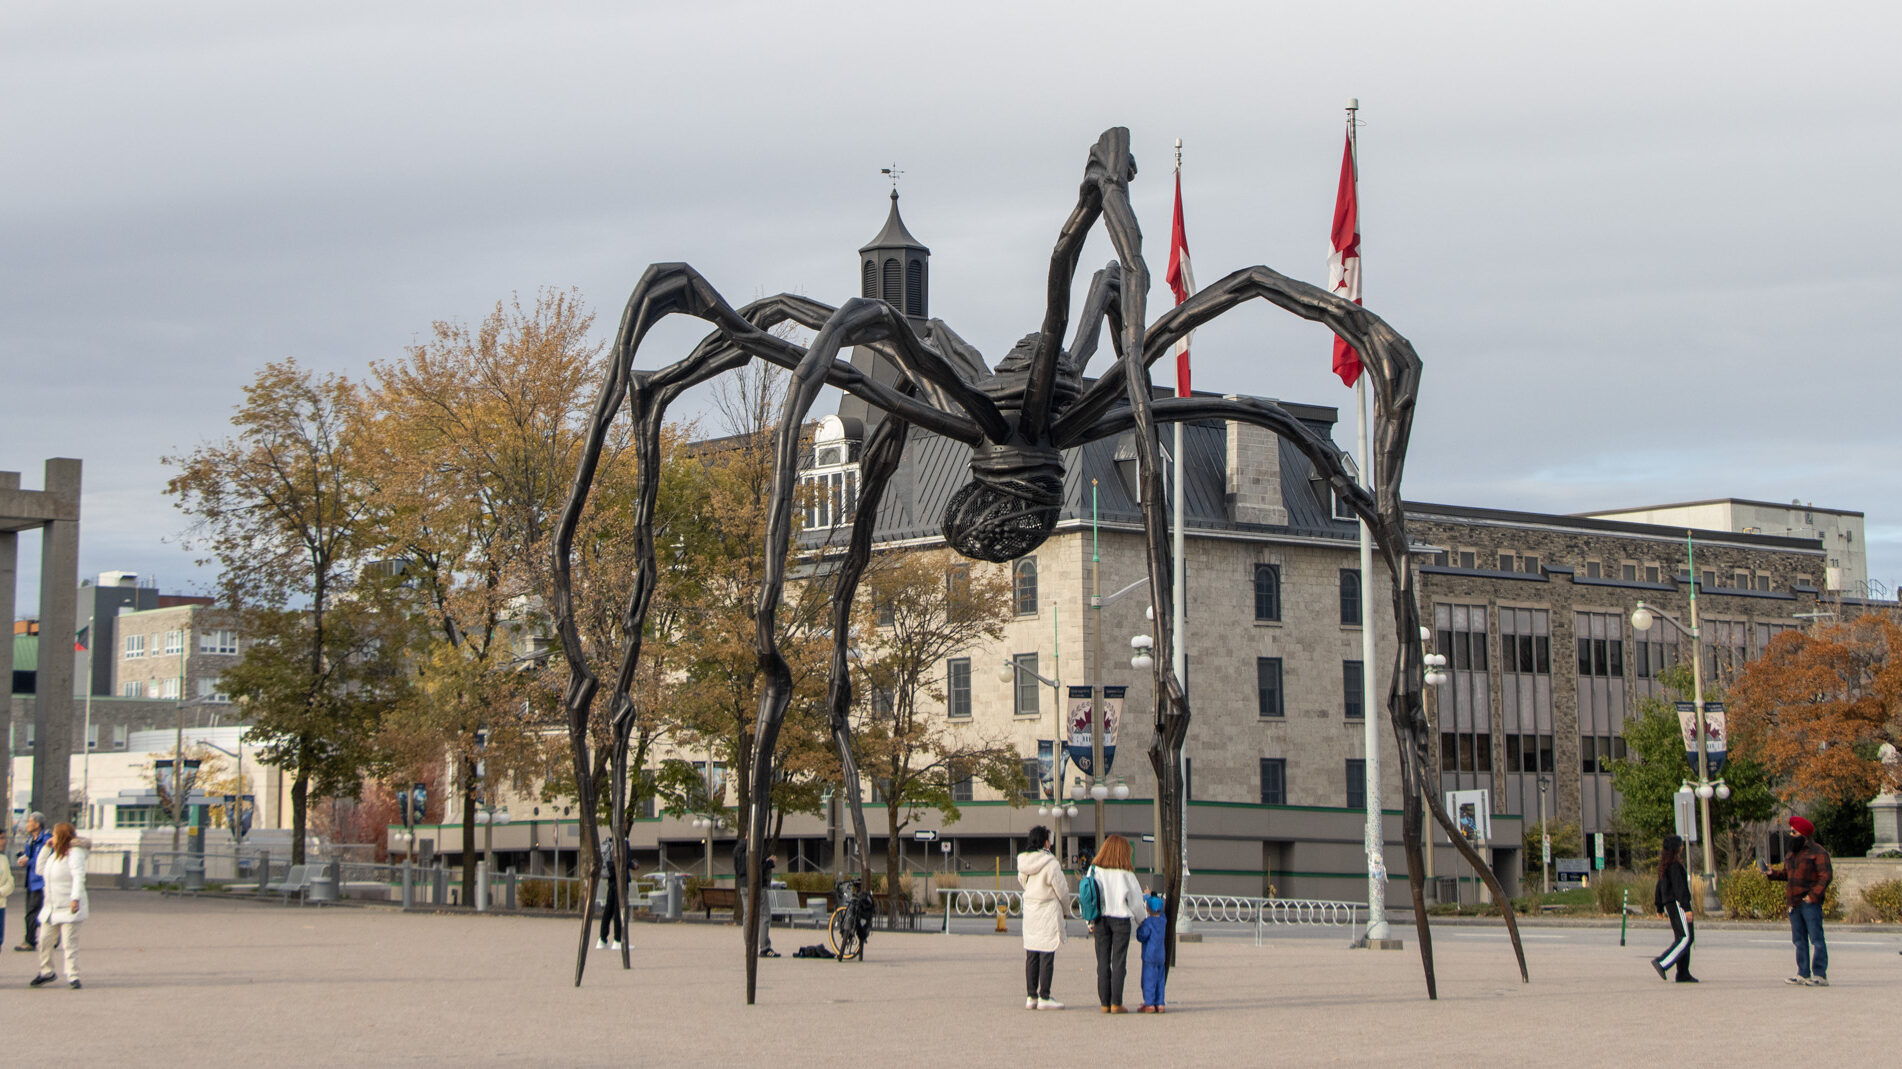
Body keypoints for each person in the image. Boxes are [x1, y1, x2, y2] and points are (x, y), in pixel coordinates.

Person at [1766, 814, 1833, 987]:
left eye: (1794, 832)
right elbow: (1788, 875)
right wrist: (1772, 874)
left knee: (1816, 938)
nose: (1791, 834)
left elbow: (1825, 876)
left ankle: (1819, 974)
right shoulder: (1792, 853)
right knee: (1798, 939)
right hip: (1793, 902)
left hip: (1809, 902)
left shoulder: (1818, 852)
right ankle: (1802, 973)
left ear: (1803, 834)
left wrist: (1813, 895)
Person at [1085, 834, 1146, 1013]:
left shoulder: (1094, 870)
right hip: (1121, 920)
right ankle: (1116, 1003)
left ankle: (1104, 1003)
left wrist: (1089, 920)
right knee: (1118, 962)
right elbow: (1136, 901)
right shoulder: (1126, 874)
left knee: (1102, 962)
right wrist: (1142, 920)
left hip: (1100, 918)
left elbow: (1089, 895)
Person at [1016, 824, 1069, 1010]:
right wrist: (1065, 908)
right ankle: (1044, 995)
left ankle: (1031, 996)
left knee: (1031, 952)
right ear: (1045, 841)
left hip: (1031, 909)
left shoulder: (1023, 862)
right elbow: (1061, 890)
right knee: (1047, 952)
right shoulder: (1051, 863)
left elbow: (1022, 881)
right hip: (1047, 908)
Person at [29, 822, 88, 989]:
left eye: (54, 835)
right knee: (44, 940)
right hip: (52, 907)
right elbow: (40, 870)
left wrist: (75, 898)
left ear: (62, 836)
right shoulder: (54, 855)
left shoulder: (74, 853)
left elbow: (78, 877)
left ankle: (73, 975)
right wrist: (46, 849)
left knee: (69, 943)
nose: (52, 838)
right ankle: (46, 971)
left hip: (69, 906)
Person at [1649, 834, 1696, 983]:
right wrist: (1687, 908)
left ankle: (1683, 973)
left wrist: (1659, 906)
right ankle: (1662, 963)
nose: (1682, 847)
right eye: (1681, 844)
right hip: (1677, 904)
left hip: (1670, 903)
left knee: (1683, 937)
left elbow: (1659, 887)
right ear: (1676, 848)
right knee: (1685, 938)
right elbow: (1679, 888)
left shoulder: (1665, 865)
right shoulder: (1675, 866)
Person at [733, 842, 777, 958]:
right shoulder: (756, 846)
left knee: (747, 916)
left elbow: (737, 867)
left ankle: (749, 946)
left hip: (743, 884)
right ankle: (764, 947)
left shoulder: (738, 848)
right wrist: (770, 863)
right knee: (764, 915)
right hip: (757, 885)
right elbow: (757, 866)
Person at [14, 812, 48, 953]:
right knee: (34, 911)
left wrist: (29, 861)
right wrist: (23, 857)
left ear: (37, 824)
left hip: (41, 881)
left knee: (32, 911)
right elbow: (30, 856)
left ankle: (29, 941)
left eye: (29, 822)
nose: (27, 824)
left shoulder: (46, 840)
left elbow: (44, 859)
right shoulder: (30, 840)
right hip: (31, 880)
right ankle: (50, 937)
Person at [1135, 893, 1168, 1012]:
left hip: (1149, 955)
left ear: (1147, 908)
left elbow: (1142, 936)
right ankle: (1160, 1003)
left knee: (1148, 979)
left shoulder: (1148, 922)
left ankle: (1149, 1003)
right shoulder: (1163, 920)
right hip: (1161, 955)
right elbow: (1160, 909)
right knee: (1160, 979)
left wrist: (1140, 927)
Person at [0, 828, 13, 949]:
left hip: (1, 905)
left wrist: (1, 891)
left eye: (4, 838)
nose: (3, 842)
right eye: (1, 838)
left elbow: (10, 883)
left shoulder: (4, 859)